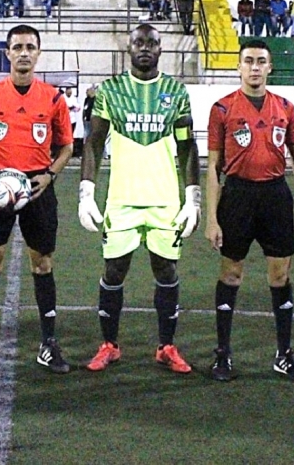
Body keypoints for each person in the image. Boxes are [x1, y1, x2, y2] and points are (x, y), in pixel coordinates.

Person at [79, 24, 200, 374]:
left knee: (166, 268)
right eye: (138, 43)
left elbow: (187, 146)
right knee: (114, 269)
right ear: (128, 49)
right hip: (122, 200)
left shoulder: (175, 92)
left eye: (151, 43)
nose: (144, 48)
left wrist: (192, 198)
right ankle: (109, 345)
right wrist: (87, 192)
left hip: (164, 200)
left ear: (161, 50)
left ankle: (166, 346)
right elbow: (94, 142)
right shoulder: (111, 91)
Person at [0, 25, 74, 374]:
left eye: (30, 47)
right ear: (7, 53)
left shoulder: (53, 99)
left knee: (42, 263)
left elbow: (67, 146)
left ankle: (48, 344)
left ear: (39, 53)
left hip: (38, 189)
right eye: (17, 47)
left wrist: (50, 174)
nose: (24, 53)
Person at [205, 39, 294, 383]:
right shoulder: (222, 109)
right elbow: (213, 168)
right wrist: (211, 218)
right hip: (236, 196)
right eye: (248, 60)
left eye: (260, 61)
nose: (254, 67)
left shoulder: (285, 107)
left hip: (275, 197)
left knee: (280, 276)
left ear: (270, 67)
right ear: (238, 66)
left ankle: (284, 355)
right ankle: (223, 354)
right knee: (231, 274)